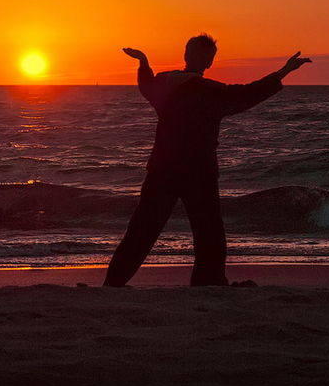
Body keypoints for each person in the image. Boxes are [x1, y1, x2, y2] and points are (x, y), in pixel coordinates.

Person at [103, 34, 311, 287]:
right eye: (209, 58)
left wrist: (143, 61)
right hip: (198, 170)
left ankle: (114, 282)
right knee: (208, 229)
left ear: (186, 56)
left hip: (163, 168)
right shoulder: (211, 91)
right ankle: (208, 280)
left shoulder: (164, 84)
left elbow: (146, 85)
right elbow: (250, 93)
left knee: (143, 227)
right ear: (209, 62)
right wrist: (284, 71)